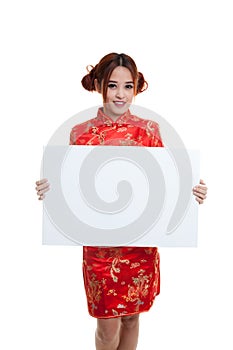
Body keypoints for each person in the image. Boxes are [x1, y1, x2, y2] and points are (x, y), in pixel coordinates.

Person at [35, 53, 207, 350]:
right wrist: (50, 188)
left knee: (131, 318)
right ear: (100, 85)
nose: (120, 94)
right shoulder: (81, 133)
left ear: (136, 88)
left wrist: (193, 191)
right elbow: (73, 186)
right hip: (100, 247)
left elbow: (166, 181)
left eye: (128, 86)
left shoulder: (149, 130)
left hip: (140, 242)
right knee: (107, 327)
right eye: (113, 85)